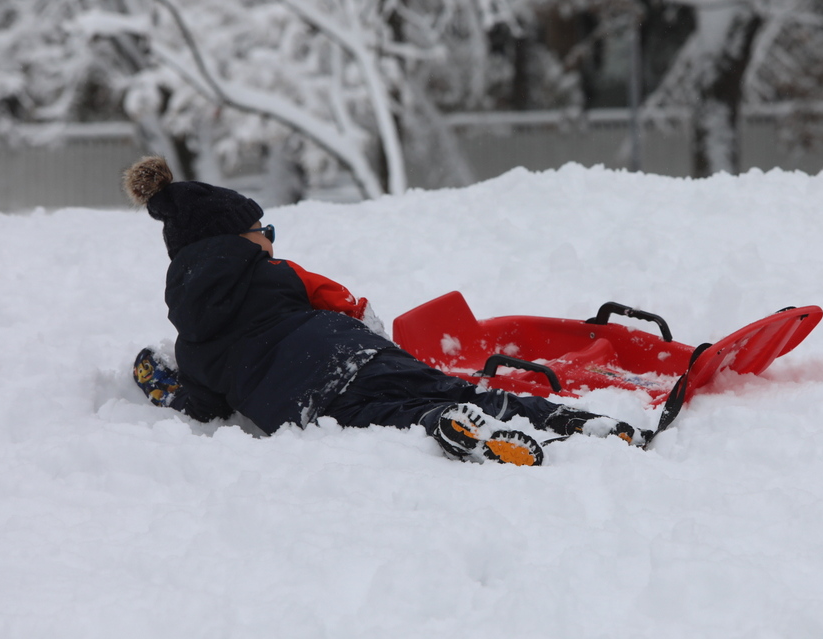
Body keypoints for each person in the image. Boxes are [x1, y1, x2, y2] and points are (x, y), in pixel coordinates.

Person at [123, 156, 648, 466]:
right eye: (267, 234)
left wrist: (159, 381)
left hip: (304, 397)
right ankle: (574, 422)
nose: (274, 244)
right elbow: (349, 307)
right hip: (355, 352)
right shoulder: (281, 274)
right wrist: (370, 338)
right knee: (466, 390)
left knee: (384, 417)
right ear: (240, 239)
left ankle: (443, 424)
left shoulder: (193, 342)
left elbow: (202, 408)